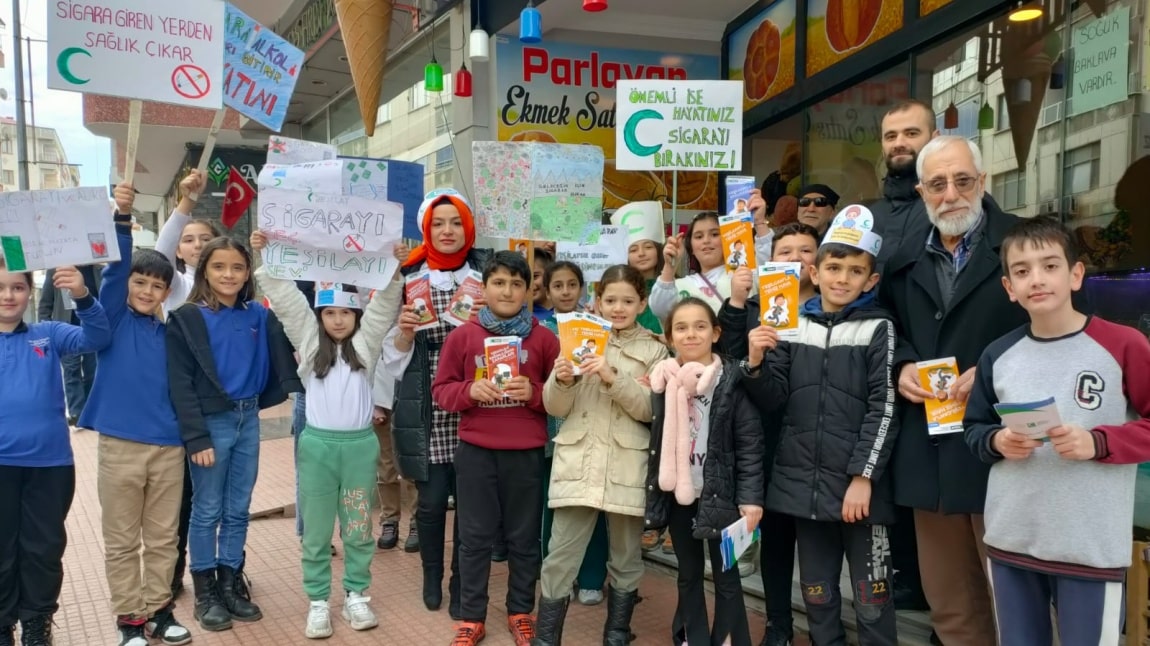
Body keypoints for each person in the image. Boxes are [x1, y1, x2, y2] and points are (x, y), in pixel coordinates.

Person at [963, 217, 1150, 645]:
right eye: (1022, 271)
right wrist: (998, 441)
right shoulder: (998, 354)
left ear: (1076, 274)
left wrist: (1098, 442)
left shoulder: (1123, 345)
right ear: (1009, 287)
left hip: (1089, 546)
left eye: (1049, 265)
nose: (1037, 279)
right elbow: (974, 429)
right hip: (1012, 540)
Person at [879, 135, 1027, 646]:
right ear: (921, 191)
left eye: (962, 181)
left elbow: (1054, 326)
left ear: (983, 182)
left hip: (1005, 452)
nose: (951, 194)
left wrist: (991, 371)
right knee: (951, 607)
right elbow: (885, 324)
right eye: (937, 184)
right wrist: (899, 365)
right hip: (931, 453)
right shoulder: (901, 259)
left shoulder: (1022, 248)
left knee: (1019, 602)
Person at [743, 207, 899, 646]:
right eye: (833, 268)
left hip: (860, 492)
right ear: (814, 270)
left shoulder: (879, 327)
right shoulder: (792, 324)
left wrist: (863, 478)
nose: (842, 279)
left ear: (871, 280)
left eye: (855, 271)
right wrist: (755, 363)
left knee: (871, 599)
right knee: (817, 596)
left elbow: (884, 408)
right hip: (801, 490)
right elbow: (773, 399)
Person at [252, 230, 403, 639]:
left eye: (347, 313)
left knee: (356, 526)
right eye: (330, 312)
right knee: (317, 530)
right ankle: (318, 601)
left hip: (358, 449)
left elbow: (385, 304)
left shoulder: (366, 346)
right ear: (319, 315)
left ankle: (356, 594)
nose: (339, 319)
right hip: (317, 448)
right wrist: (265, 254)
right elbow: (286, 301)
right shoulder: (307, 339)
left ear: (356, 316)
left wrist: (393, 266)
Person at [166, 237, 301, 632]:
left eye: (238, 268)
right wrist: (196, 437)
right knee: (207, 508)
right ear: (204, 269)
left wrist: (273, 254)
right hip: (211, 423)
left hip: (248, 419)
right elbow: (180, 384)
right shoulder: (187, 317)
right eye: (219, 267)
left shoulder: (258, 315)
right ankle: (205, 589)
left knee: (238, 507)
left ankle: (230, 582)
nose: (229, 275)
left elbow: (292, 315)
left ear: (247, 274)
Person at [81, 184, 193, 646]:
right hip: (120, 447)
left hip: (169, 447)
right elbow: (115, 272)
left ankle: (159, 610)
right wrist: (122, 218)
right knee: (123, 539)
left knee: (164, 539)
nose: (148, 290)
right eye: (140, 282)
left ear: (169, 291)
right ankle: (130, 619)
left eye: (157, 285)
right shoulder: (113, 320)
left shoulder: (173, 329)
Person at [535, 265, 669, 646]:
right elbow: (555, 407)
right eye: (610, 300)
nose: (618, 308)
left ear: (642, 302)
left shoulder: (655, 349)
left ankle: (617, 634)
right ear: (596, 301)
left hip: (628, 464)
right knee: (560, 555)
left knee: (626, 558)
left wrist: (614, 377)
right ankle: (546, 639)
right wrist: (562, 380)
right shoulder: (578, 336)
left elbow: (649, 410)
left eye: (628, 301)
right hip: (579, 461)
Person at [432, 251, 560, 646]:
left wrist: (535, 393)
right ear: (484, 288)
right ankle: (472, 617)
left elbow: (562, 397)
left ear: (529, 290)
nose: (507, 290)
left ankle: (521, 610)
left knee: (524, 538)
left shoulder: (544, 339)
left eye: (517, 283)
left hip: (525, 453)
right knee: (473, 537)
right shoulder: (464, 336)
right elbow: (441, 391)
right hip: (476, 452)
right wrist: (469, 390)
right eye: (499, 282)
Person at [386, 188, 490, 618]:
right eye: (438, 223)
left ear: (467, 228)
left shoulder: (485, 274)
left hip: (473, 395)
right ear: (426, 228)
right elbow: (387, 350)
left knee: (470, 504)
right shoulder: (406, 275)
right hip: (425, 394)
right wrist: (406, 333)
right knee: (430, 502)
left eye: (455, 223)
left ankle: (460, 579)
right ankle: (431, 575)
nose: (448, 231)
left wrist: (488, 319)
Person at [0, 256, 112, 646]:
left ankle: (36, 623)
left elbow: (97, 338)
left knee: (42, 549)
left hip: (50, 465)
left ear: (30, 292)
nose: (8, 296)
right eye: (1, 288)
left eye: (16, 287)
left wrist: (81, 295)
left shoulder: (47, 333)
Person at [717, 222, 820, 646]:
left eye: (806, 250)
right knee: (776, 543)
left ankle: (823, 626)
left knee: (817, 549)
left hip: (819, 442)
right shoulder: (756, 309)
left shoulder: (835, 308)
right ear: (769, 260)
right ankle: (779, 623)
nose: (796, 258)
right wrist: (737, 302)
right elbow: (728, 360)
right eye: (786, 251)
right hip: (767, 440)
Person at [644, 297, 764, 646]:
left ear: (715, 333)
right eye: (681, 328)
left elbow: (751, 444)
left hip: (722, 495)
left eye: (700, 326)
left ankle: (729, 638)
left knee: (726, 575)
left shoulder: (731, 380)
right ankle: (690, 636)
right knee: (688, 572)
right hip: (680, 492)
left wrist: (751, 499)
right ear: (669, 338)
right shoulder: (662, 380)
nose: (690, 334)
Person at [537, 261, 612, 608]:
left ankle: (593, 578)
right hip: (551, 433)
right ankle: (558, 578)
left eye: (572, 285)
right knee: (553, 509)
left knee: (591, 507)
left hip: (591, 429)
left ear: (583, 288)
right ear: (547, 291)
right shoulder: (537, 328)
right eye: (558, 285)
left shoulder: (598, 326)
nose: (565, 291)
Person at [37, 263, 101, 426]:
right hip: (65, 330)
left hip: (91, 331)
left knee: (92, 371)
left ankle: (89, 410)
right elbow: (45, 303)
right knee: (71, 370)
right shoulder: (56, 269)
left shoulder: (98, 270)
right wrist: (44, 331)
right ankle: (76, 413)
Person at [649, 212, 732, 324]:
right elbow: (659, 309)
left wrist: (760, 224)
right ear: (691, 247)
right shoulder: (678, 286)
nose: (706, 240)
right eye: (699, 236)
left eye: (715, 234)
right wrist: (669, 266)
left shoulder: (746, 274)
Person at [372, 369, 419, 553]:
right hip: (380, 400)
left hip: (411, 398)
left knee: (411, 463)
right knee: (385, 466)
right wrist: (372, 403)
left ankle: (417, 521)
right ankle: (389, 520)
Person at [610, 200, 666, 335]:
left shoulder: (673, 285)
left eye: (648, 247)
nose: (641, 253)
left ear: (658, 250)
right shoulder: (620, 289)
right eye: (633, 250)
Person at [531, 249, 555, 322]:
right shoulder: (519, 317)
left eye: (535, 276)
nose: (529, 283)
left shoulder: (567, 311)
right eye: (524, 277)